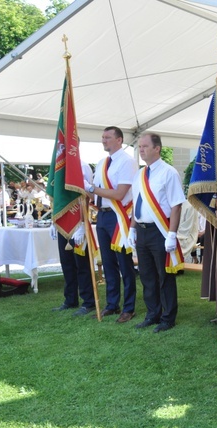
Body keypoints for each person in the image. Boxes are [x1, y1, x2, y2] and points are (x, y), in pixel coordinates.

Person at [129, 133, 185, 333]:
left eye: (145, 146)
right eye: (140, 146)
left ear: (157, 148)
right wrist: (132, 228)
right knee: (147, 275)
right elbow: (137, 204)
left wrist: (171, 234)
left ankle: (168, 317)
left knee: (164, 275)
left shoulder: (169, 172)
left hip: (160, 230)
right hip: (142, 231)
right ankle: (153, 313)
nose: (141, 149)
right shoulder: (139, 175)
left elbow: (176, 205)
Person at [85, 126, 138, 323]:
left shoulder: (127, 162)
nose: (103, 140)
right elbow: (97, 193)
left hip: (120, 215)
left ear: (119, 140)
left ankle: (129, 307)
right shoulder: (101, 163)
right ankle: (112, 304)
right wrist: (84, 189)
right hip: (103, 215)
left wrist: (92, 188)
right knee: (108, 263)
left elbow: (119, 194)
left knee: (124, 263)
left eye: (108, 137)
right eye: (102, 137)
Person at [51, 160, 96, 317]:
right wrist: (54, 220)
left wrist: (83, 223)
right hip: (63, 220)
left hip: (78, 221)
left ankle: (88, 301)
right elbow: (56, 194)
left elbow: (87, 196)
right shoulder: (59, 166)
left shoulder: (82, 166)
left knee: (81, 265)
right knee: (67, 263)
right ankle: (70, 299)